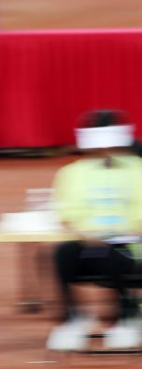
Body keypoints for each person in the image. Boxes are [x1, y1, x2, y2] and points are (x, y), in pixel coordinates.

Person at [47, 109, 142, 352]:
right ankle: (73, 317)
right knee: (63, 253)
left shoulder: (138, 168)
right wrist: (85, 234)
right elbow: (68, 213)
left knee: (113, 254)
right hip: (89, 243)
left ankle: (126, 314)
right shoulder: (71, 173)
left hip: (131, 246)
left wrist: (132, 229)